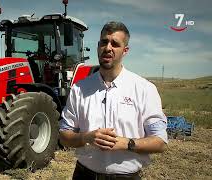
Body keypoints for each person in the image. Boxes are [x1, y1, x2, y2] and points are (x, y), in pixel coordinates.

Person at [59, 21, 168, 180]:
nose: (108, 48)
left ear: (125, 50)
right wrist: (86, 137)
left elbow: (160, 142)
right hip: (85, 175)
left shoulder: (144, 89)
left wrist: (127, 143)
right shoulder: (79, 89)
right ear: (98, 46)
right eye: (104, 42)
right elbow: (63, 136)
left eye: (115, 44)